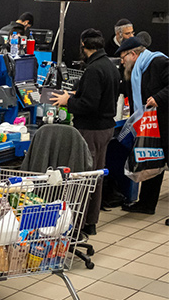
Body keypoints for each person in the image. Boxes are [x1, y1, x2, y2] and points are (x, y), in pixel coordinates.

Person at [50, 29, 120, 235]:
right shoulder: (110, 65)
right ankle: (90, 222)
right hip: (106, 128)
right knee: (95, 176)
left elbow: (89, 104)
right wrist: (75, 93)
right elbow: (101, 95)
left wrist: (68, 101)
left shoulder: (93, 70)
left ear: (83, 45)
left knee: (81, 177)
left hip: (90, 130)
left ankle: (76, 226)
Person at [115, 37, 168, 215]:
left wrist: (158, 98)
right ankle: (146, 204)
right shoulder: (136, 72)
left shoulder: (159, 62)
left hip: (165, 124)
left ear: (134, 54)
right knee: (152, 161)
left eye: (123, 58)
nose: (122, 63)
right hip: (150, 127)